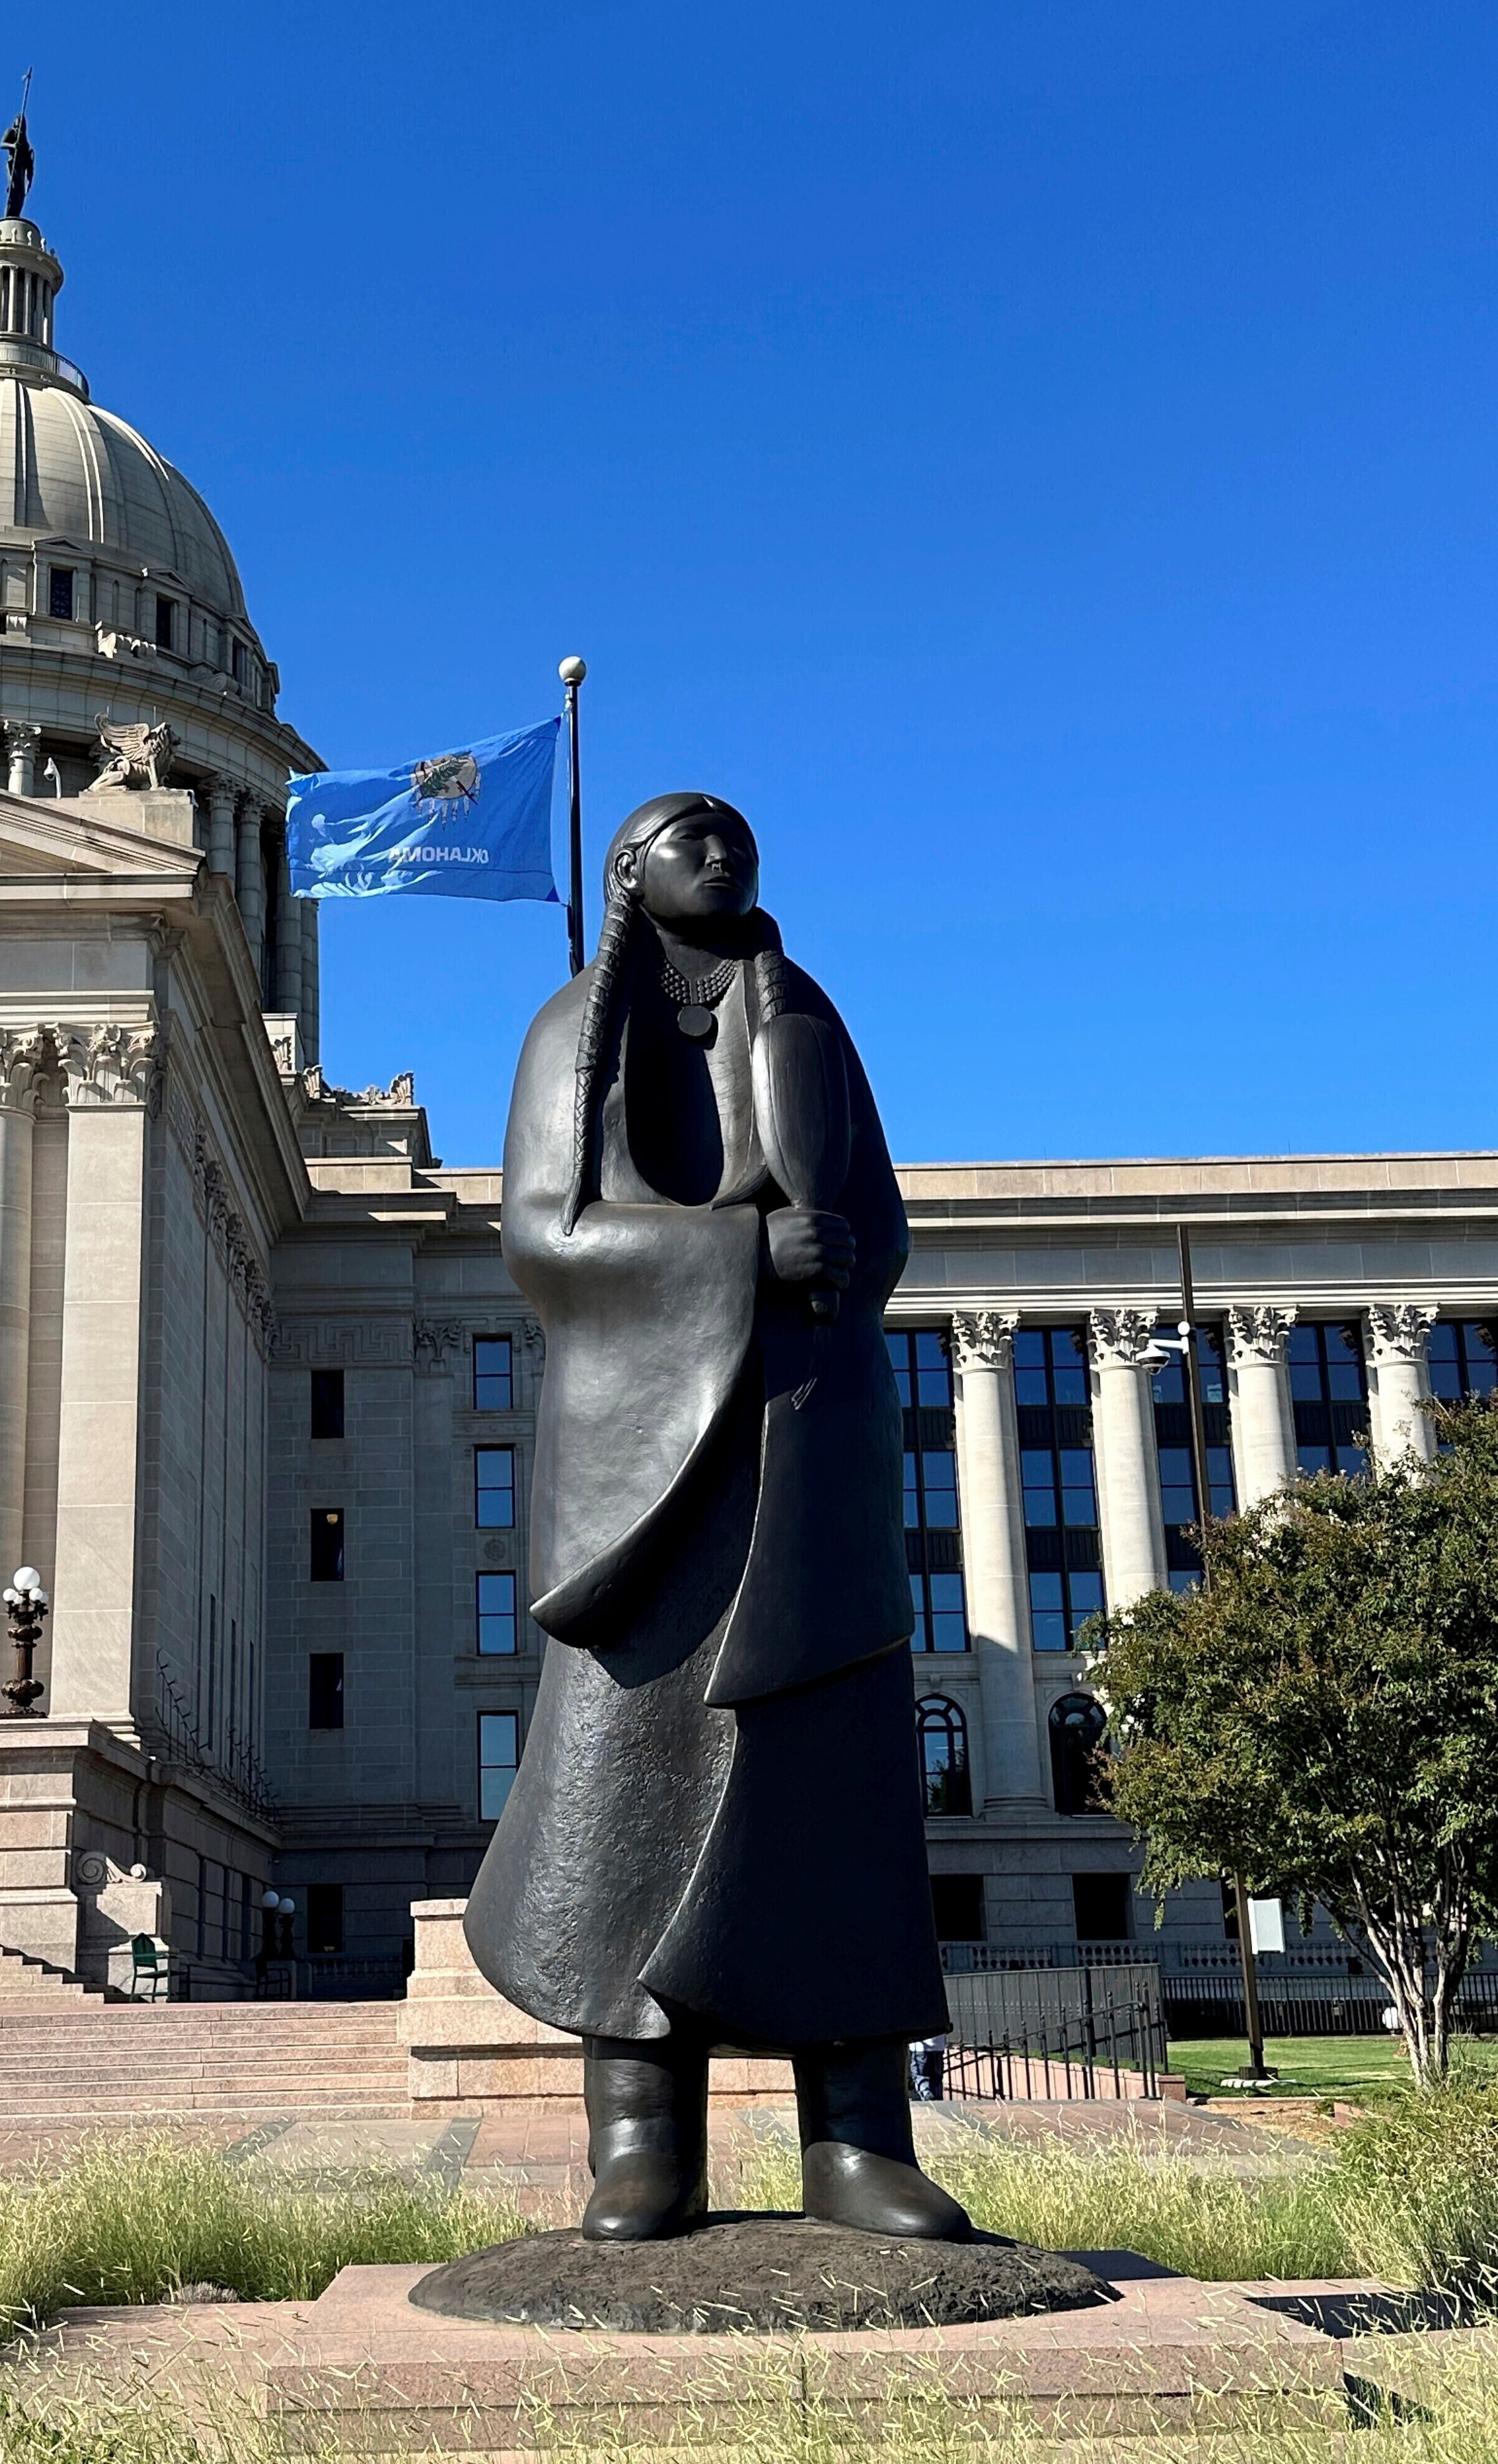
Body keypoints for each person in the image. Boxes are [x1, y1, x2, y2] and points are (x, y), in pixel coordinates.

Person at [464, 793, 969, 2243]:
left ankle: (860, 2137)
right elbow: (543, 1237)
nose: (725, 851)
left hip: (801, 1445)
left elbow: (876, 1220)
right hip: (648, 1478)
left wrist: (812, 1273)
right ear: (628, 871)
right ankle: (642, 2141)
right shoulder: (575, 1033)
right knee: (624, 1780)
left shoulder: (806, 1015)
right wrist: (746, 1256)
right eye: (689, 836)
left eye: (739, 835)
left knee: (833, 1781)